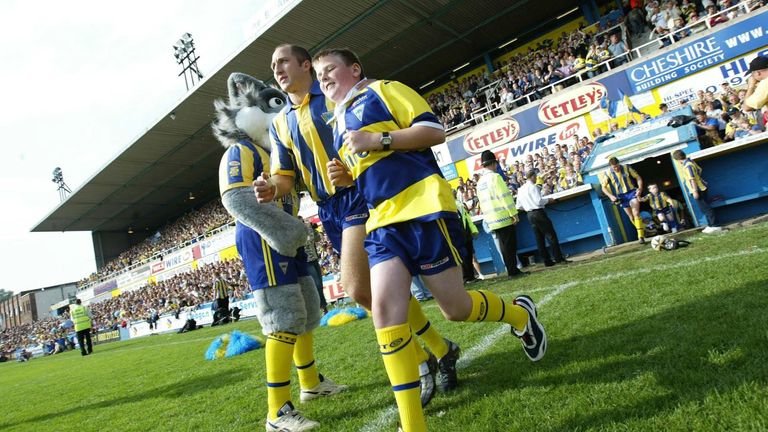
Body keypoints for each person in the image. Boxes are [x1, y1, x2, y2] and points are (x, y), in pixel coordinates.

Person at [314, 48, 546, 432]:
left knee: (455, 308)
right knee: (387, 315)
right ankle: (413, 426)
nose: (323, 78)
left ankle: (521, 315)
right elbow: (373, 169)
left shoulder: (384, 90)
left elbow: (434, 131)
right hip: (383, 222)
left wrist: (379, 138)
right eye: (319, 75)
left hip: (423, 208)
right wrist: (348, 179)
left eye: (329, 70)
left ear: (354, 69)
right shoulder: (337, 122)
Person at [256, 44, 459, 403]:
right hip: (327, 208)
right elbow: (284, 177)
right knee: (370, 292)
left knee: (356, 287)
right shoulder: (279, 123)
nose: (277, 70)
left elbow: (375, 130)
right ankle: (438, 349)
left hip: (357, 195)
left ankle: (423, 359)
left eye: (283, 61)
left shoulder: (338, 96)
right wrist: (271, 188)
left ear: (306, 64)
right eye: (272, 66)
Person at [213, 72, 347, 431]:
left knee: (305, 312)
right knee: (283, 317)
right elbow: (236, 199)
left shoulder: (275, 154)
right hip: (265, 238)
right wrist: (287, 231)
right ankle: (277, 412)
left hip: (290, 237)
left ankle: (311, 384)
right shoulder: (241, 150)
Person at [476, 151, 529, 278]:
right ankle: (513, 271)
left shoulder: (480, 182)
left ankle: (511, 270)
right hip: (503, 216)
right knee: (510, 246)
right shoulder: (495, 177)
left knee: (503, 247)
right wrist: (513, 213)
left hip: (492, 219)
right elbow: (505, 197)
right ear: (494, 163)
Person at [516, 170, 569, 266]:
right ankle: (558, 258)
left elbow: (518, 206)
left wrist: (528, 206)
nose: (536, 178)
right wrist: (549, 200)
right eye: (535, 176)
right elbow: (538, 201)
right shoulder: (533, 187)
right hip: (538, 212)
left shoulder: (521, 189)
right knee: (551, 236)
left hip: (530, 214)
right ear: (532, 176)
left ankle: (547, 260)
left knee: (539, 238)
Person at [672, 150, 723, 233]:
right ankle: (711, 225)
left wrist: (695, 191)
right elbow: (699, 170)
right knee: (705, 208)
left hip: (699, 190)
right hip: (702, 188)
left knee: (706, 208)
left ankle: (715, 225)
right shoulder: (691, 161)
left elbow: (692, 179)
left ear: (678, 160)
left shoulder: (688, 166)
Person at [600, 157, 646, 244]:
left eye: (617, 166)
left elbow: (638, 177)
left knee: (636, 212)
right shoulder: (608, 173)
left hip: (632, 192)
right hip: (621, 196)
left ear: (619, 164)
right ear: (610, 167)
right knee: (631, 216)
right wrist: (611, 196)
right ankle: (643, 230)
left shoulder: (626, 167)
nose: (616, 168)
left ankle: (640, 236)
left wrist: (640, 188)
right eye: (614, 167)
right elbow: (603, 187)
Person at [303, 219, 329, 314]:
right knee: (317, 285)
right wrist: (309, 228)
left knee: (320, 285)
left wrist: (313, 229)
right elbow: (308, 241)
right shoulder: (300, 233)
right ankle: (322, 307)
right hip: (307, 262)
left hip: (314, 260)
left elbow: (317, 239)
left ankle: (324, 307)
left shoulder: (309, 231)